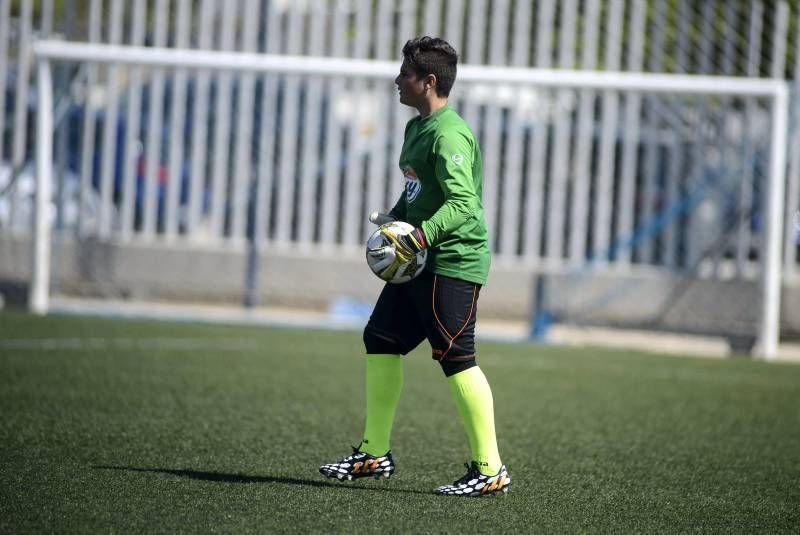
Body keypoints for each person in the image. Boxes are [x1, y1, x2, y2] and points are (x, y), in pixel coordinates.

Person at [319, 36, 510, 497]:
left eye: (404, 73)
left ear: (428, 82)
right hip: (418, 258)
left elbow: (464, 203)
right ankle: (374, 453)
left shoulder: (448, 134)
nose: (396, 80)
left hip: (453, 261)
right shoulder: (416, 129)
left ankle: (490, 470)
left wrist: (420, 236)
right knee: (381, 339)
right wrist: (395, 226)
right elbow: (417, 193)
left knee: (457, 358)